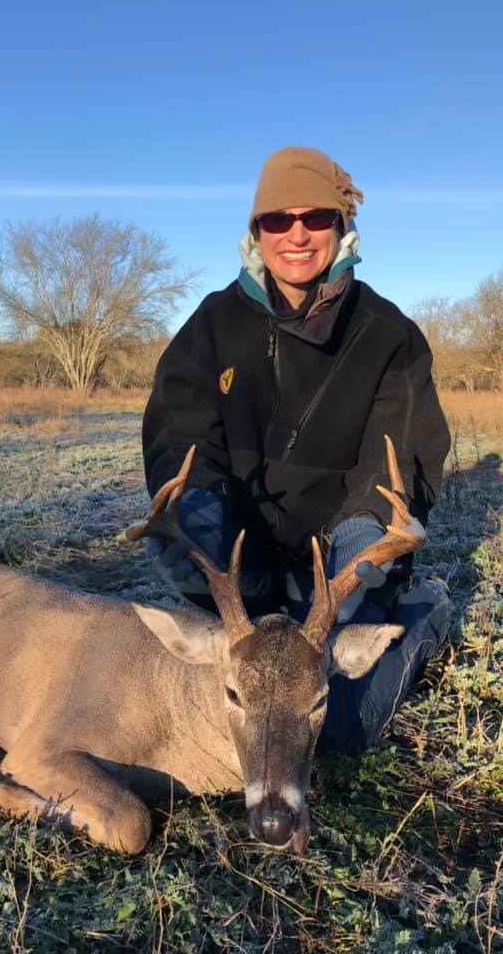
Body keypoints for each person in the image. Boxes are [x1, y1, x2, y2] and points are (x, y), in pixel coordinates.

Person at [142, 146, 451, 755]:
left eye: (317, 218)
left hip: (333, 565)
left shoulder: (389, 336)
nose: (298, 235)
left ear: (343, 227)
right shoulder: (214, 323)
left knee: (334, 729)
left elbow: (398, 452)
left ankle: (424, 613)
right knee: (220, 706)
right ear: (256, 231)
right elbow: (182, 431)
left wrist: (364, 549)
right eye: (277, 220)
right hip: (246, 558)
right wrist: (196, 511)